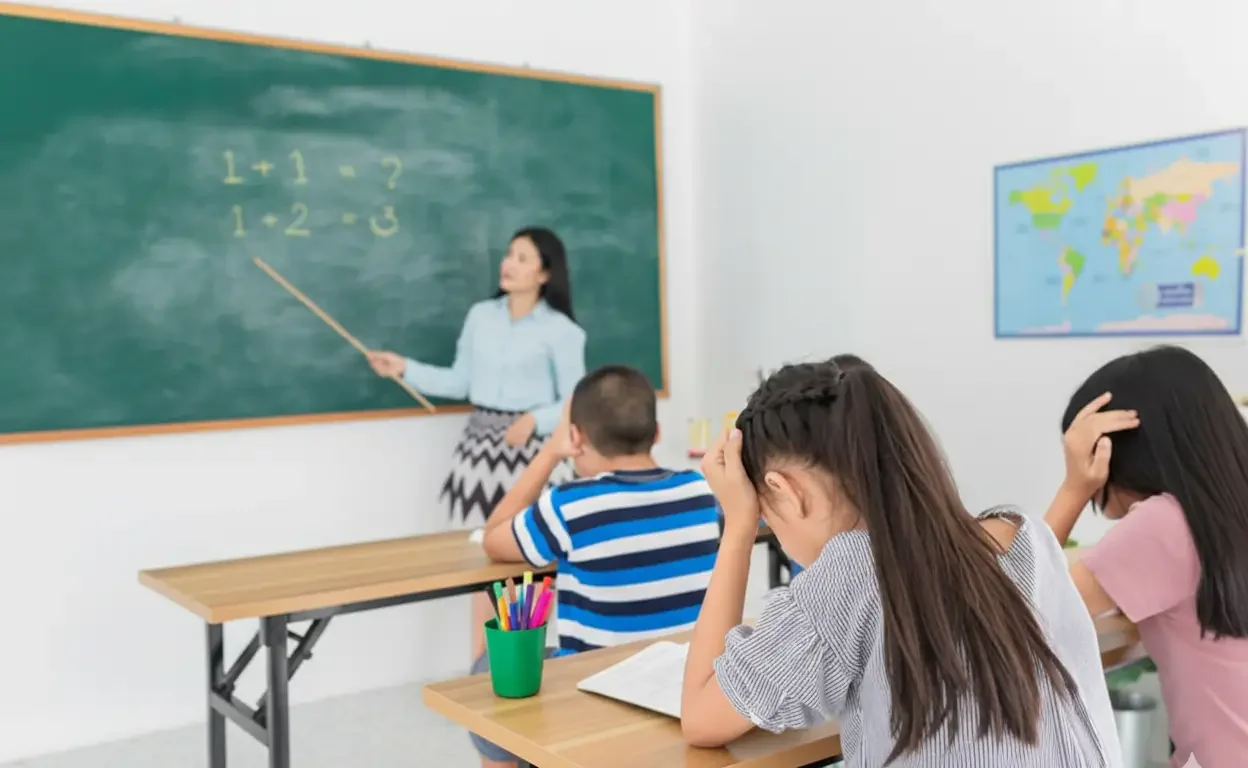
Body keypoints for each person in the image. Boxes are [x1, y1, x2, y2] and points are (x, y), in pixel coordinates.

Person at [680, 356, 1121, 767]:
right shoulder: (1028, 534)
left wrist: (738, 526)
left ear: (786, 491)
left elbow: (701, 719)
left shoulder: (850, 572)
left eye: (765, 513)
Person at [474, 364, 719, 768]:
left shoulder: (568, 505)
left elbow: (494, 536)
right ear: (656, 434)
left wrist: (550, 451)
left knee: (485, 671)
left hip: (592, 684)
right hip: (683, 680)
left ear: (577, 438)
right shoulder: (703, 492)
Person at [367, 227, 586, 661]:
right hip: (479, 457)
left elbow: (575, 398)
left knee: (535, 573)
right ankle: (481, 675)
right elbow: (460, 380)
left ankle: (526, 671)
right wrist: (403, 368)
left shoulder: (562, 331)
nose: (509, 263)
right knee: (485, 570)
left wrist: (533, 418)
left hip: (535, 458)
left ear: (545, 273)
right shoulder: (481, 317)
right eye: (509, 254)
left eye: (523, 258)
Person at [1047, 345, 1248, 768]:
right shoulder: (1222, 517)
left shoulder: (1166, 524)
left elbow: (1017, 606)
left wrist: (1074, 488)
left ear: (1108, 453)